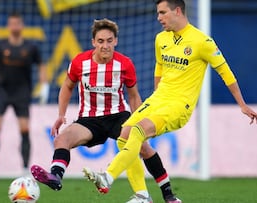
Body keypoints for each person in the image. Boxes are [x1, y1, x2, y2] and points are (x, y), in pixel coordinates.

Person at [83, 0, 257, 199]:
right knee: (123, 136)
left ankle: (108, 176)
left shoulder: (202, 41)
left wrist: (242, 104)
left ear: (177, 11)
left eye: (163, 12)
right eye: (158, 13)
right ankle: (142, 195)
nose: (159, 17)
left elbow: (225, 72)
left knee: (138, 131)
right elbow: (159, 67)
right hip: (159, 99)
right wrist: (156, 96)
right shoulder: (161, 38)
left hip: (179, 105)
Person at [30, 18, 181, 203]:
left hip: (118, 116)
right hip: (89, 119)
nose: (105, 46)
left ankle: (168, 195)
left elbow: (133, 96)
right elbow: (67, 86)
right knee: (62, 139)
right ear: (93, 42)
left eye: (109, 41)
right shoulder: (79, 62)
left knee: (142, 147)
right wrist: (61, 115)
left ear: (116, 41)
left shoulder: (125, 64)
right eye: (100, 41)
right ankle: (55, 176)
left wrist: (140, 120)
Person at [0, 12, 49, 182]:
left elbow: (41, 66)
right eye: (12, 23)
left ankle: (25, 168)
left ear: (22, 25)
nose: (15, 26)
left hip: (22, 93)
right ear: (8, 26)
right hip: (1, 91)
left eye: (17, 23)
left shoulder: (31, 47)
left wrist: (44, 85)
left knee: (24, 130)